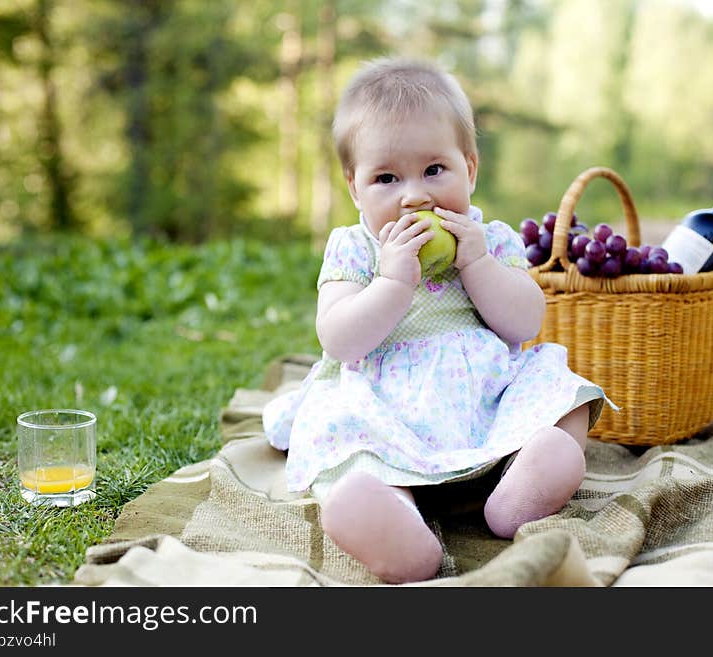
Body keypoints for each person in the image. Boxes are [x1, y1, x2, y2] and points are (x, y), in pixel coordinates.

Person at [263, 57, 614, 584]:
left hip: (483, 397)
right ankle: (394, 518)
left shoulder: (490, 240)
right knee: (342, 427)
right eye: (386, 177)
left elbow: (524, 323)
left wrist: (477, 264)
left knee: (557, 386)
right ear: (355, 188)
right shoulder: (355, 248)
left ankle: (518, 491)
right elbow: (338, 339)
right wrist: (392, 283)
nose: (415, 195)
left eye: (434, 170)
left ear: (469, 169)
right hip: (387, 407)